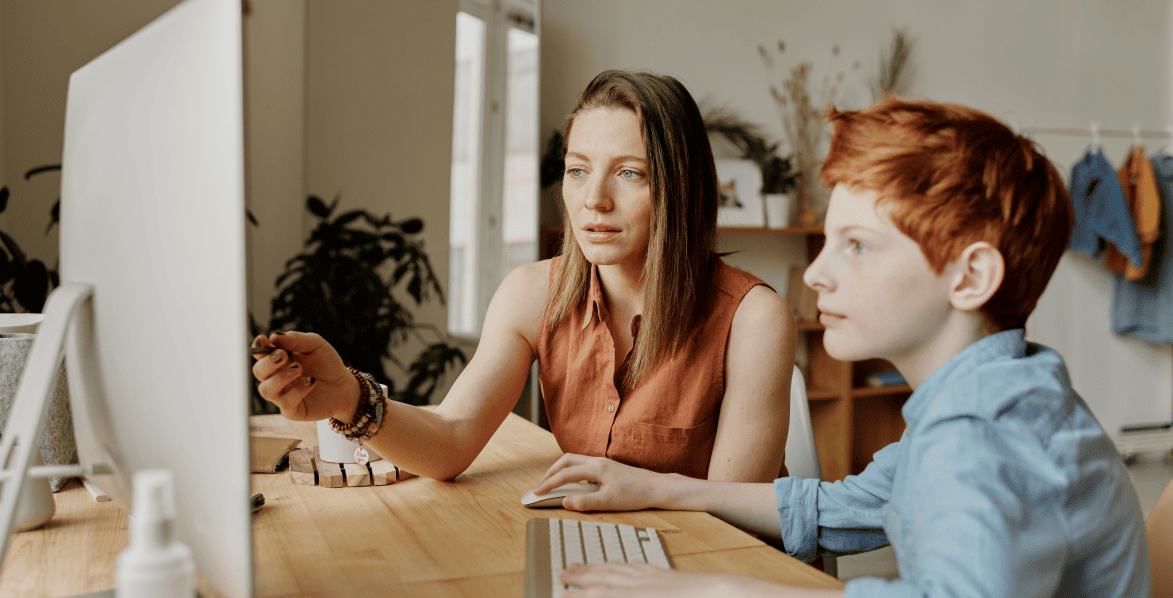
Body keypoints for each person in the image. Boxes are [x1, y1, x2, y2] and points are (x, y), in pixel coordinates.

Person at [536, 98, 1154, 598]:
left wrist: (717, 597)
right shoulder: (997, 394)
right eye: (828, 242)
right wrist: (655, 487)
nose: (820, 275)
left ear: (970, 278)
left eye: (857, 247)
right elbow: (840, 506)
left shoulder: (983, 433)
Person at [251, 69, 796, 484]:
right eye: (578, 170)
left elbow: (731, 517)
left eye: (630, 173)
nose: (593, 200)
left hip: (715, 573)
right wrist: (349, 397)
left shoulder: (754, 318)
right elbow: (451, 440)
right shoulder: (532, 293)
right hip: (604, 553)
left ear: (682, 189)